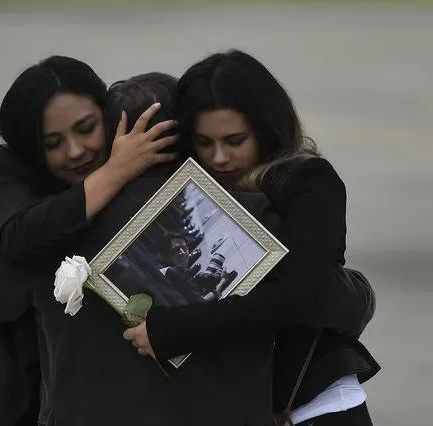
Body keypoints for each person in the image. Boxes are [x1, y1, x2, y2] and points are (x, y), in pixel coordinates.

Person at [0, 72, 281, 426]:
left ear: (111, 135)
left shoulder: (51, 233)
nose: (76, 151)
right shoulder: (255, 220)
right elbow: (333, 299)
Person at [123, 50, 379, 426]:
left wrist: (177, 330)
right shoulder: (187, 190)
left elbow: (296, 295)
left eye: (235, 140)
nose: (220, 157)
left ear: (267, 128)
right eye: (204, 143)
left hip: (307, 403)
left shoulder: (308, 182)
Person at [0, 56, 179, 426]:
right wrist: (114, 172)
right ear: (30, 149)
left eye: (86, 129)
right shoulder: (14, 173)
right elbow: (16, 239)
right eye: (53, 143)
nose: (75, 151)